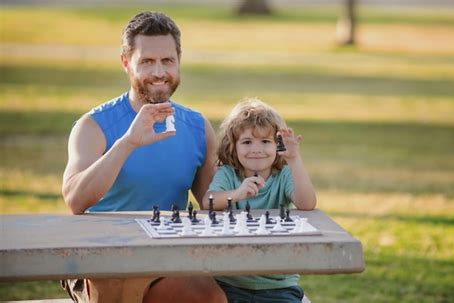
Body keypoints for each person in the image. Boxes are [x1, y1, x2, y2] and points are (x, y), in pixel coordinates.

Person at [61, 11, 226, 303]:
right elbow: (76, 199)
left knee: (208, 296)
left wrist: (261, 174)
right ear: (126, 62)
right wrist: (128, 143)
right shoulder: (93, 126)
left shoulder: (198, 127)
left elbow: (214, 204)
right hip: (100, 255)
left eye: (167, 61)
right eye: (147, 61)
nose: (159, 72)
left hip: (167, 254)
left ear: (179, 60)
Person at [202, 98, 317, 302]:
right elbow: (208, 202)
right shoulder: (228, 174)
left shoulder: (283, 174)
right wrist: (236, 193)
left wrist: (294, 159)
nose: (256, 149)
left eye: (265, 142)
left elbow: (307, 204)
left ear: (277, 145)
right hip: (231, 282)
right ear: (233, 146)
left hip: (278, 283)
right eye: (247, 142)